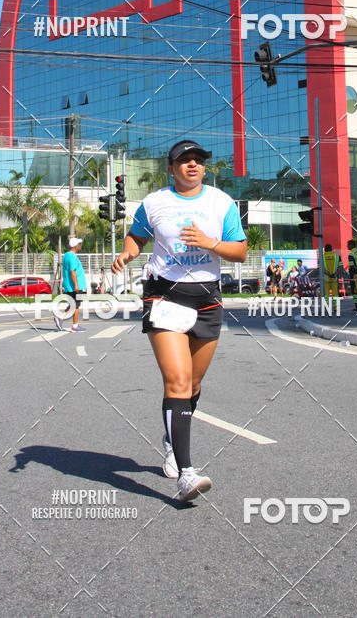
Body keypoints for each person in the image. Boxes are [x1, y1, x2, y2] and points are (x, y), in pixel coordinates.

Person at [111, 140, 247, 502]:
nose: (192, 165)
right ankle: (186, 473)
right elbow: (136, 237)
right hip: (164, 294)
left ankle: (172, 439)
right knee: (178, 380)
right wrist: (128, 252)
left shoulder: (221, 203)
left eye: (198, 160)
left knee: (195, 382)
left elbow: (240, 251)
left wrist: (208, 242)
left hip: (207, 297)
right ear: (171, 168)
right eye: (184, 160)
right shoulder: (154, 202)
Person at [59, 236, 87, 332]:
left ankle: (60, 317)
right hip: (74, 286)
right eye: (79, 244)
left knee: (72, 304)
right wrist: (76, 285)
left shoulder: (66, 255)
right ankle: (75, 326)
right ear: (76, 246)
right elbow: (72, 272)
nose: (80, 246)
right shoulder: (72, 256)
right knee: (76, 305)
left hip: (68, 285)